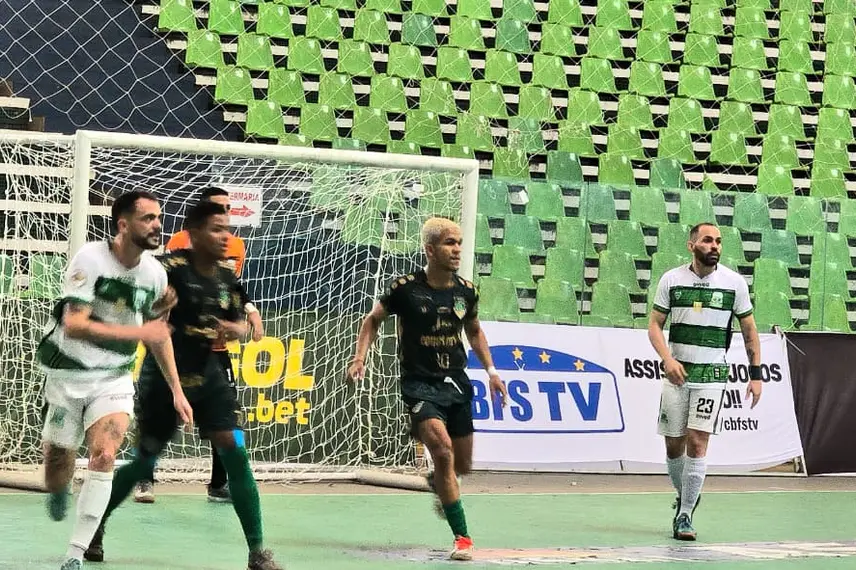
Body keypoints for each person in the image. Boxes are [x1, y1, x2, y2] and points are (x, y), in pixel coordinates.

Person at [83, 201, 283, 570]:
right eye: (216, 229)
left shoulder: (226, 278)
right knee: (145, 463)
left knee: (235, 450)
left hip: (209, 378)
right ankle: (95, 526)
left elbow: (239, 325)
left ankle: (257, 552)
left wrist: (238, 329)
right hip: (163, 379)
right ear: (193, 233)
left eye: (228, 229)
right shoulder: (167, 271)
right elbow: (148, 318)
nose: (225, 237)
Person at [37, 190, 192, 570]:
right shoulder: (90, 259)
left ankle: (75, 554)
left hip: (114, 377)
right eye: (148, 218)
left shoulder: (155, 273)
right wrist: (141, 333)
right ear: (124, 225)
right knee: (58, 466)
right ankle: (58, 490)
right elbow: (74, 325)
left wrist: (177, 389)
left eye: (159, 217)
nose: (158, 224)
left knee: (105, 454)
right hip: (68, 372)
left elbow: (157, 332)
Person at [347, 217, 507, 561]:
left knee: (462, 466)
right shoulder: (404, 288)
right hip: (419, 385)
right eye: (450, 243)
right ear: (430, 249)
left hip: (457, 384)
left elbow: (474, 331)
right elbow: (373, 320)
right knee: (443, 451)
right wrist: (359, 357)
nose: (458, 249)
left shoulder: (467, 290)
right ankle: (463, 538)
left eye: (460, 242)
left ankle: (441, 481)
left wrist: (492, 371)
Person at [134, 186, 264, 504]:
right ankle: (143, 480)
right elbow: (161, 288)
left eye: (228, 208)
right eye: (218, 207)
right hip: (176, 347)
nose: (226, 212)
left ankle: (219, 484)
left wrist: (246, 313)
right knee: (156, 415)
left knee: (228, 419)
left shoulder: (236, 247)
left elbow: (231, 286)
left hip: (214, 351)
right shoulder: (178, 247)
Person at [648, 222, 762, 542]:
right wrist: (667, 360)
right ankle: (688, 493)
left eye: (719, 242)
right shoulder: (671, 279)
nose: (715, 246)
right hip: (676, 375)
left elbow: (750, 332)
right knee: (674, 445)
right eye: (708, 240)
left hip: (712, 376)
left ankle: (684, 514)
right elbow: (655, 326)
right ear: (692, 245)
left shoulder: (734, 283)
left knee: (698, 443)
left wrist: (756, 376)